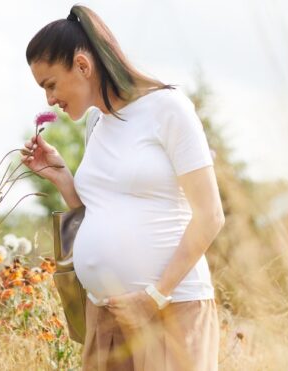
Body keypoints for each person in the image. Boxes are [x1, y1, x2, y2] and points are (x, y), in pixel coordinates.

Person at [21, 5, 225, 370]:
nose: (49, 100)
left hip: (169, 311)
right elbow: (102, 210)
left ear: (83, 66)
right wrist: (64, 179)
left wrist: (153, 298)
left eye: (50, 85)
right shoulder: (97, 122)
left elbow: (210, 215)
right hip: (106, 317)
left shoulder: (168, 108)